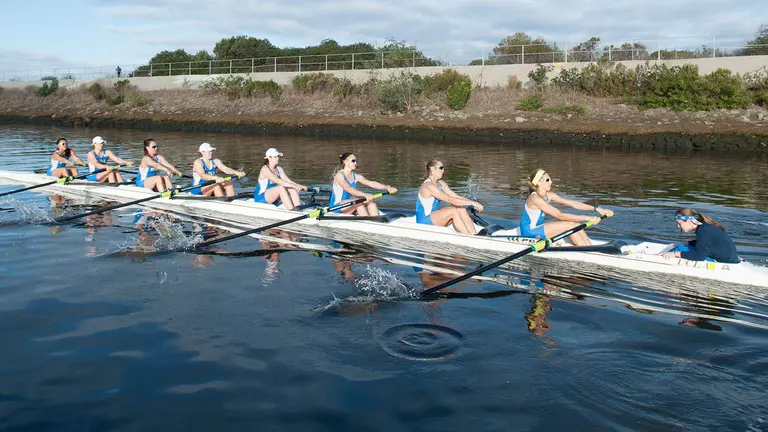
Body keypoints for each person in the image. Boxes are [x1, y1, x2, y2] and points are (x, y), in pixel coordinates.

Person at [520, 168, 613, 246]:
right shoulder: (534, 198)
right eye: (548, 180)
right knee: (570, 225)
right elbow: (559, 215)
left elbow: (572, 203)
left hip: (538, 227)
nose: (551, 182)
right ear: (539, 182)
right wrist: (588, 218)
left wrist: (598, 209)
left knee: (575, 223)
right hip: (529, 232)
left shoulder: (549, 195)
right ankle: (586, 251)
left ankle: (589, 247)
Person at [416, 159, 484, 234]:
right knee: (453, 210)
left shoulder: (441, 183)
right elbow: (450, 200)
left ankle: (474, 234)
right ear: (432, 169)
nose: (443, 170)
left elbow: (456, 197)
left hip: (435, 218)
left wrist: (473, 202)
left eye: (443, 168)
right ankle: (468, 237)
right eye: (441, 168)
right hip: (424, 221)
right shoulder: (428, 186)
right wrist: (472, 203)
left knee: (460, 208)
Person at [661, 208, 740, 263]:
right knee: (681, 246)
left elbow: (699, 256)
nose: (678, 226)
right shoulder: (704, 227)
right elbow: (704, 243)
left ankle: (661, 257)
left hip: (724, 262)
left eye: (679, 223)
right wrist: (684, 243)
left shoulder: (703, 231)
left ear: (688, 221)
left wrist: (674, 254)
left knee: (680, 248)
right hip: (730, 259)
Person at [329, 152, 397, 216]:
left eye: (355, 161)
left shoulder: (357, 176)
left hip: (349, 205)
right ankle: (367, 221)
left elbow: (371, 183)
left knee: (370, 200)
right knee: (358, 202)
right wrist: (365, 194)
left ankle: (376, 218)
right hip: (336, 207)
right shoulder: (339, 175)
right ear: (345, 162)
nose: (355, 163)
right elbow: (349, 189)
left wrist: (387, 187)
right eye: (353, 161)